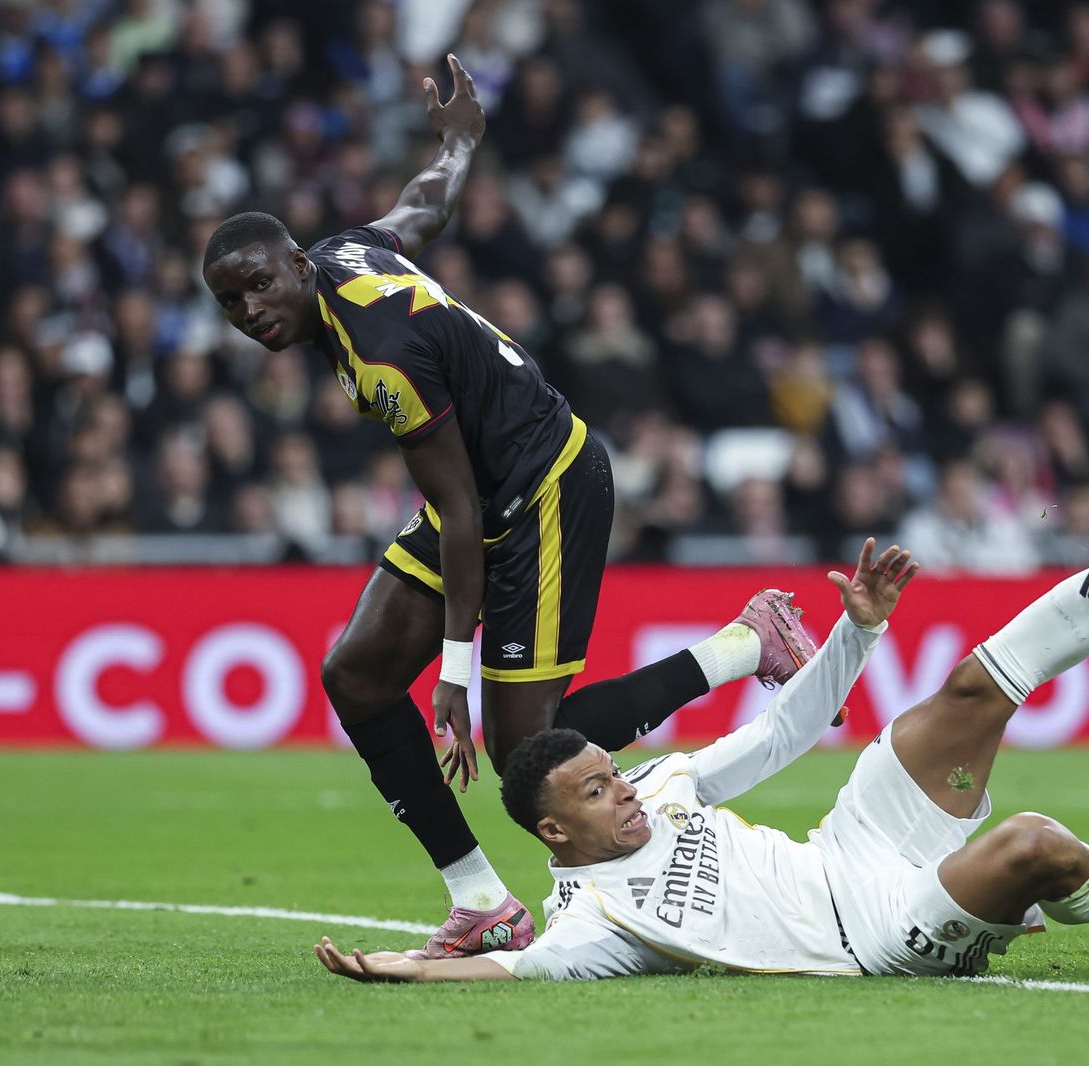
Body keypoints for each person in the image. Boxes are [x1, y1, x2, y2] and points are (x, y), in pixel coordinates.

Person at [201, 56, 823, 958]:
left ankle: (746, 643)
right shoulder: (344, 256)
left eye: (259, 285)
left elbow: (457, 514)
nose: (251, 310)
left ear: (296, 264)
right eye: (231, 302)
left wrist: (455, 671)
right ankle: (482, 903)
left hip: (545, 485)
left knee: (524, 750)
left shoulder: (377, 354)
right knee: (359, 675)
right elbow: (421, 206)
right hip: (487, 485)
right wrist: (457, 141)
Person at [315, 455, 1089, 983]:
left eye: (615, 771)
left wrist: (854, 637)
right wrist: (402, 970)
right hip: (880, 936)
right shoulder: (593, 924)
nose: (629, 792)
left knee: (971, 691)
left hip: (846, 847)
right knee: (1032, 844)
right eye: (603, 791)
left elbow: (780, 735)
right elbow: (508, 977)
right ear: (558, 831)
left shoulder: (666, 786)